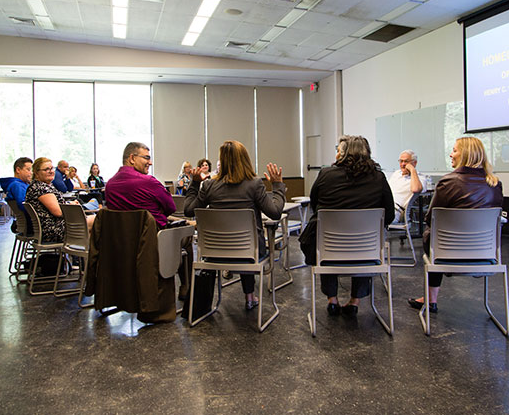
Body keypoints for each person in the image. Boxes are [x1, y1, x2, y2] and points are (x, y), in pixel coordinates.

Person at [299, 135, 395, 317]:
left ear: (342, 155)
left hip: (329, 249)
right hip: (367, 250)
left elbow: (315, 205)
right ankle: (355, 301)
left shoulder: (325, 175)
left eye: (337, 151)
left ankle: (332, 300)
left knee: (324, 236)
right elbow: (388, 215)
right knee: (367, 237)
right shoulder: (379, 178)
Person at [184, 140, 285, 310]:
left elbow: (188, 210)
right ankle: (250, 297)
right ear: (245, 160)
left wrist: (194, 183)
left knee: (242, 239)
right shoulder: (254, 184)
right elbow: (275, 212)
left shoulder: (208, 185)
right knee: (246, 241)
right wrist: (277, 186)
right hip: (248, 251)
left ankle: (249, 295)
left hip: (214, 252)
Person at [407, 136, 503, 314]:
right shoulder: (495, 184)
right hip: (485, 253)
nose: (451, 154)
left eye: (455, 150)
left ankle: (431, 300)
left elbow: (430, 220)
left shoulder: (448, 182)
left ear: (465, 154)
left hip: (447, 252)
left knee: (432, 235)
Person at [106, 142, 177, 229]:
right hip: (153, 238)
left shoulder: (109, 185)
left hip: (120, 240)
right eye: (147, 158)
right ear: (132, 158)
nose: (150, 163)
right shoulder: (149, 182)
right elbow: (171, 208)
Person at [25, 157, 94, 243]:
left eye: (51, 168)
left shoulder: (40, 186)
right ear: (36, 173)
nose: (51, 171)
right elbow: (58, 212)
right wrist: (71, 206)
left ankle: (90, 254)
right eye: (46, 169)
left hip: (55, 227)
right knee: (99, 219)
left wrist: (68, 203)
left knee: (96, 229)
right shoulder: (41, 188)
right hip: (54, 230)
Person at [388, 149, 424, 223]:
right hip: (385, 206)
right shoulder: (396, 174)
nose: (403, 164)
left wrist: (412, 170)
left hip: (396, 211)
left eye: (406, 161)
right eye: (401, 161)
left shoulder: (420, 177)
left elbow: (416, 189)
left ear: (414, 163)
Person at [0, 157, 33, 232]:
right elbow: (25, 206)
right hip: (31, 225)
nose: (31, 173)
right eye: (28, 170)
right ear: (18, 170)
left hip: (26, 224)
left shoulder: (19, 184)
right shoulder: (17, 185)